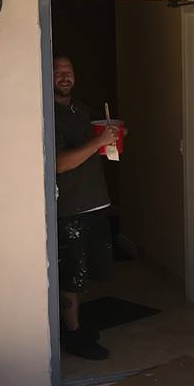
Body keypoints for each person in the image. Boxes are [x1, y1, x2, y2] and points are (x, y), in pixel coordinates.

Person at [53, 55, 121, 360]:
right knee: (71, 277)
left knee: (85, 274)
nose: (64, 77)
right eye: (57, 72)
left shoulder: (80, 111)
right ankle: (73, 335)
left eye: (69, 71)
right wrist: (97, 143)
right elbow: (58, 163)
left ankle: (75, 326)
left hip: (95, 203)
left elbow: (93, 153)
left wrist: (113, 140)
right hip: (70, 209)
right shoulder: (49, 113)